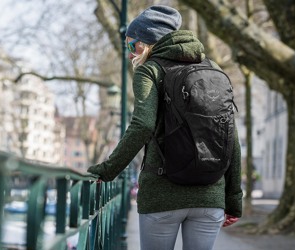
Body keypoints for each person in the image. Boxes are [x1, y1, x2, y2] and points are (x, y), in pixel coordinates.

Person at [87, 5, 242, 250]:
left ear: (147, 43)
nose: (130, 54)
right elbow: (229, 136)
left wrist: (106, 171)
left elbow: (142, 126)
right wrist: (233, 200)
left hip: (162, 195)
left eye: (131, 45)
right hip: (210, 195)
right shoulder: (214, 69)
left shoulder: (149, 69)